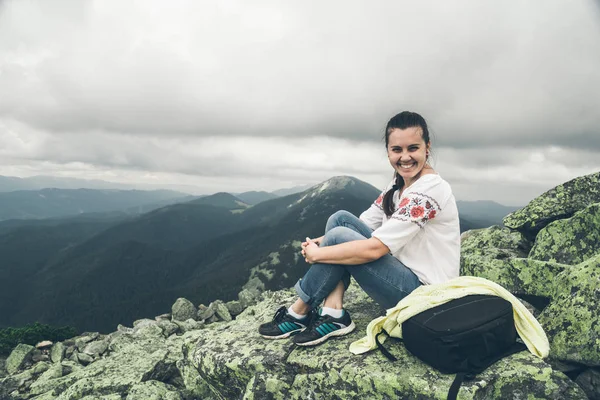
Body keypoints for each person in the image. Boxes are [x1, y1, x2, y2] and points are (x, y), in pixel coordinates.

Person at [258, 111, 460, 347]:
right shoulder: (397, 186)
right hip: (404, 278)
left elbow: (375, 249)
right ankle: (333, 313)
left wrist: (319, 254)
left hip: (425, 297)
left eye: (413, 148)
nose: (405, 157)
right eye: (397, 150)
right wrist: (320, 241)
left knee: (339, 237)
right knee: (339, 220)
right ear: (388, 151)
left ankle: (300, 310)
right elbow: (362, 223)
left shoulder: (430, 189)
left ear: (427, 147)